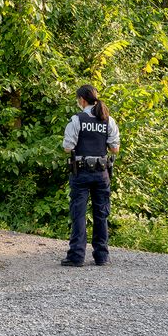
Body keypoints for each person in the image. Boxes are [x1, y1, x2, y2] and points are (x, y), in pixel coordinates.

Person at [61, 84, 120, 267]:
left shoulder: (77, 119)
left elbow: (68, 147)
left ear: (82, 100)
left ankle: (76, 256)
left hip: (81, 172)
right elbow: (115, 149)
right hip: (102, 172)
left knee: (78, 213)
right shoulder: (108, 120)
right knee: (101, 214)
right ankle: (102, 257)